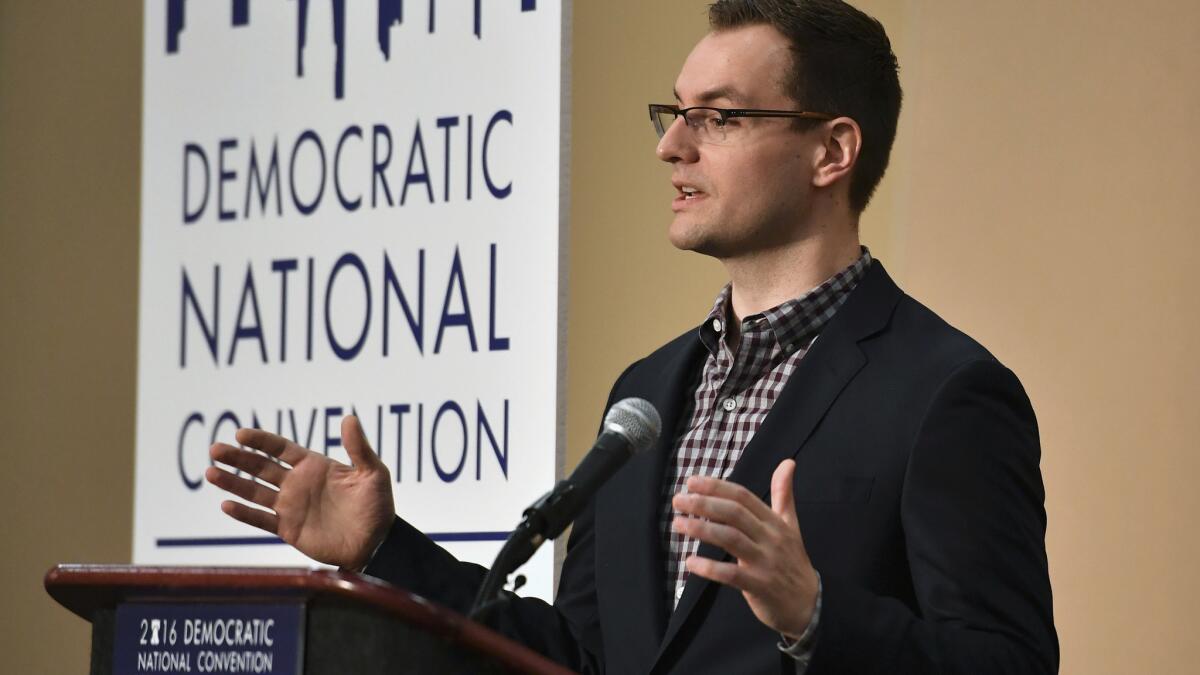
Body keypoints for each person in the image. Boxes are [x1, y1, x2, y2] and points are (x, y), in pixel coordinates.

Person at [206, 1, 1058, 673]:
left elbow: (1006, 661)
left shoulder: (945, 393)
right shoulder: (644, 396)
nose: (673, 148)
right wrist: (387, 551)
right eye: (675, 113)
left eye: (719, 118)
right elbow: (585, 657)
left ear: (831, 151)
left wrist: (818, 615)